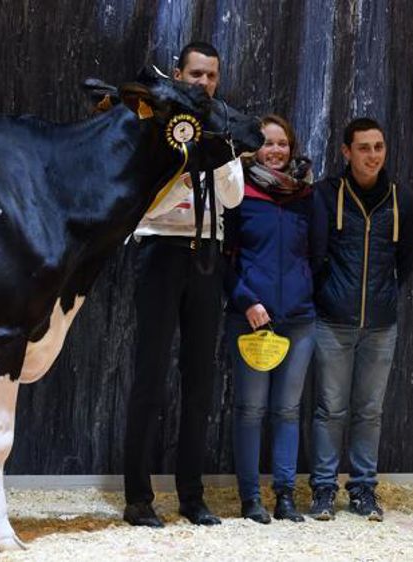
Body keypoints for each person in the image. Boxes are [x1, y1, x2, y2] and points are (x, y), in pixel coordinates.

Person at [122, 40, 244, 527]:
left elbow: (232, 197)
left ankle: (192, 496)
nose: (204, 84)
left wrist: (213, 154)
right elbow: (141, 199)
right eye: (196, 75)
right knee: (149, 377)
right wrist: (186, 166)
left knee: (199, 381)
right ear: (177, 74)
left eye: (211, 76)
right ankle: (138, 498)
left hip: (207, 254)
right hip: (159, 249)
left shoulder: (221, 126)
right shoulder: (155, 125)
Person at [308, 117, 413, 521]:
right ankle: (323, 489)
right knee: (330, 409)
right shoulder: (325, 195)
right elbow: (315, 254)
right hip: (333, 321)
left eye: (379, 147)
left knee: (370, 411)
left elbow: (406, 261)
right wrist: (330, 295)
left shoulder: (401, 200)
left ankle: (363, 490)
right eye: (364, 148)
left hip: (380, 325)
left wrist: (383, 296)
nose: (373, 155)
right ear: (346, 152)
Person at [223, 115, 314, 524]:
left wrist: (304, 294)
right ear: (254, 149)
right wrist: (246, 300)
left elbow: (317, 253)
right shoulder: (238, 192)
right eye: (267, 143)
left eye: (283, 143)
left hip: (298, 320)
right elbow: (223, 259)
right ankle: (249, 499)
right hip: (251, 319)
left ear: (291, 148)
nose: (275, 151)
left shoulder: (305, 195)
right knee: (250, 410)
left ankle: (285, 496)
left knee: (288, 411)